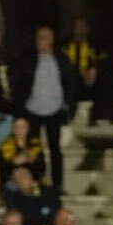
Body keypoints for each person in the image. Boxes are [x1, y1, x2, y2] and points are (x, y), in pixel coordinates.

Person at [14, 25, 76, 190]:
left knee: (55, 149)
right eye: (38, 37)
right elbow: (19, 84)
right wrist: (21, 106)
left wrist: (68, 106)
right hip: (33, 109)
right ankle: (36, 180)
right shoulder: (28, 60)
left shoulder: (62, 60)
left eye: (43, 37)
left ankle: (57, 184)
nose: (39, 41)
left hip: (55, 110)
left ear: (51, 39)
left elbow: (70, 83)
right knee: (34, 149)